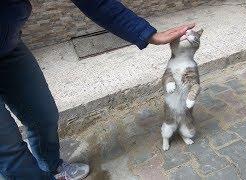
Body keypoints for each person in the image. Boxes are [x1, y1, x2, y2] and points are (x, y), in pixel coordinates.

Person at [0, 0, 195, 179]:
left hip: (8, 46)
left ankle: (52, 167)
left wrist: (148, 34)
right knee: (9, 151)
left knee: (43, 116)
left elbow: (96, 2)